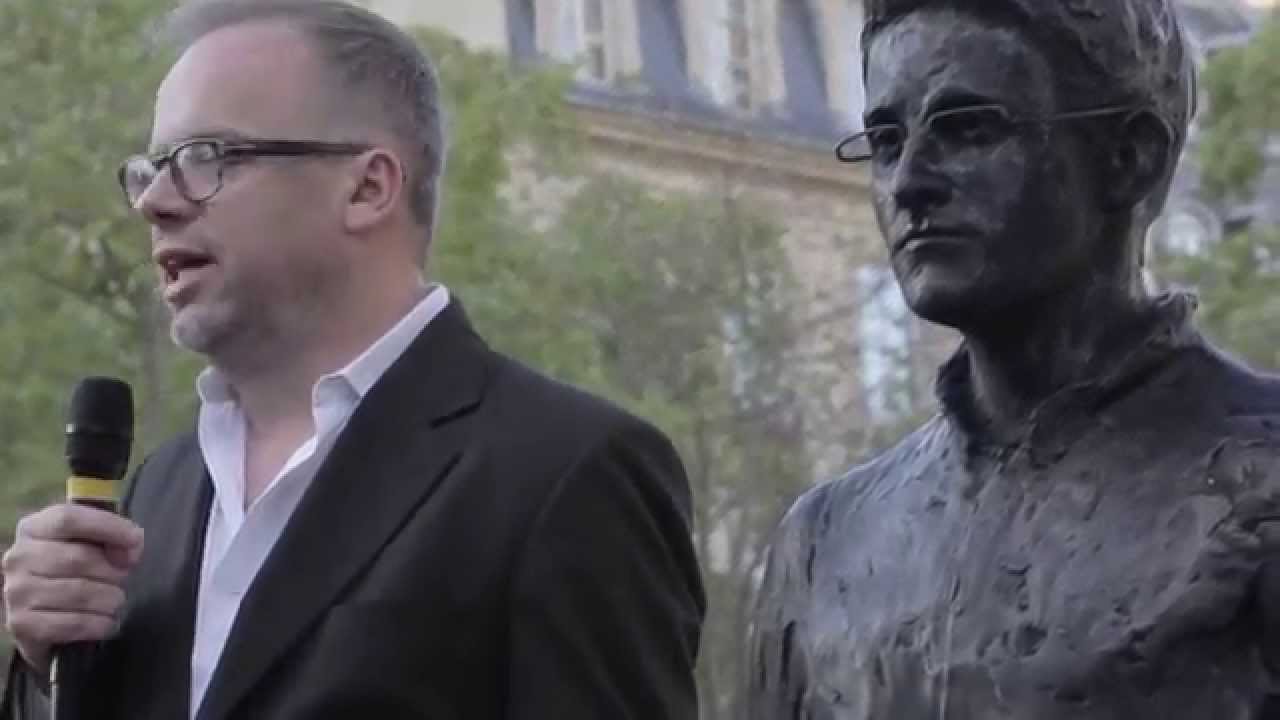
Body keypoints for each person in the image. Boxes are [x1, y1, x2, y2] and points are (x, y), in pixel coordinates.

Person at [0, 1, 706, 717]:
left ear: (369, 187)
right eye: (149, 169)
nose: (154, 201)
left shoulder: (567, 472)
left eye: (204, 158)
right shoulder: (162, 490)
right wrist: (42, 667)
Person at [749, 0, 1280, 717]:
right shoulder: (824, 543)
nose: (909, 183)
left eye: (968, 128)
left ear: (1130, 157)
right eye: (883, 140)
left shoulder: (1263, 484)